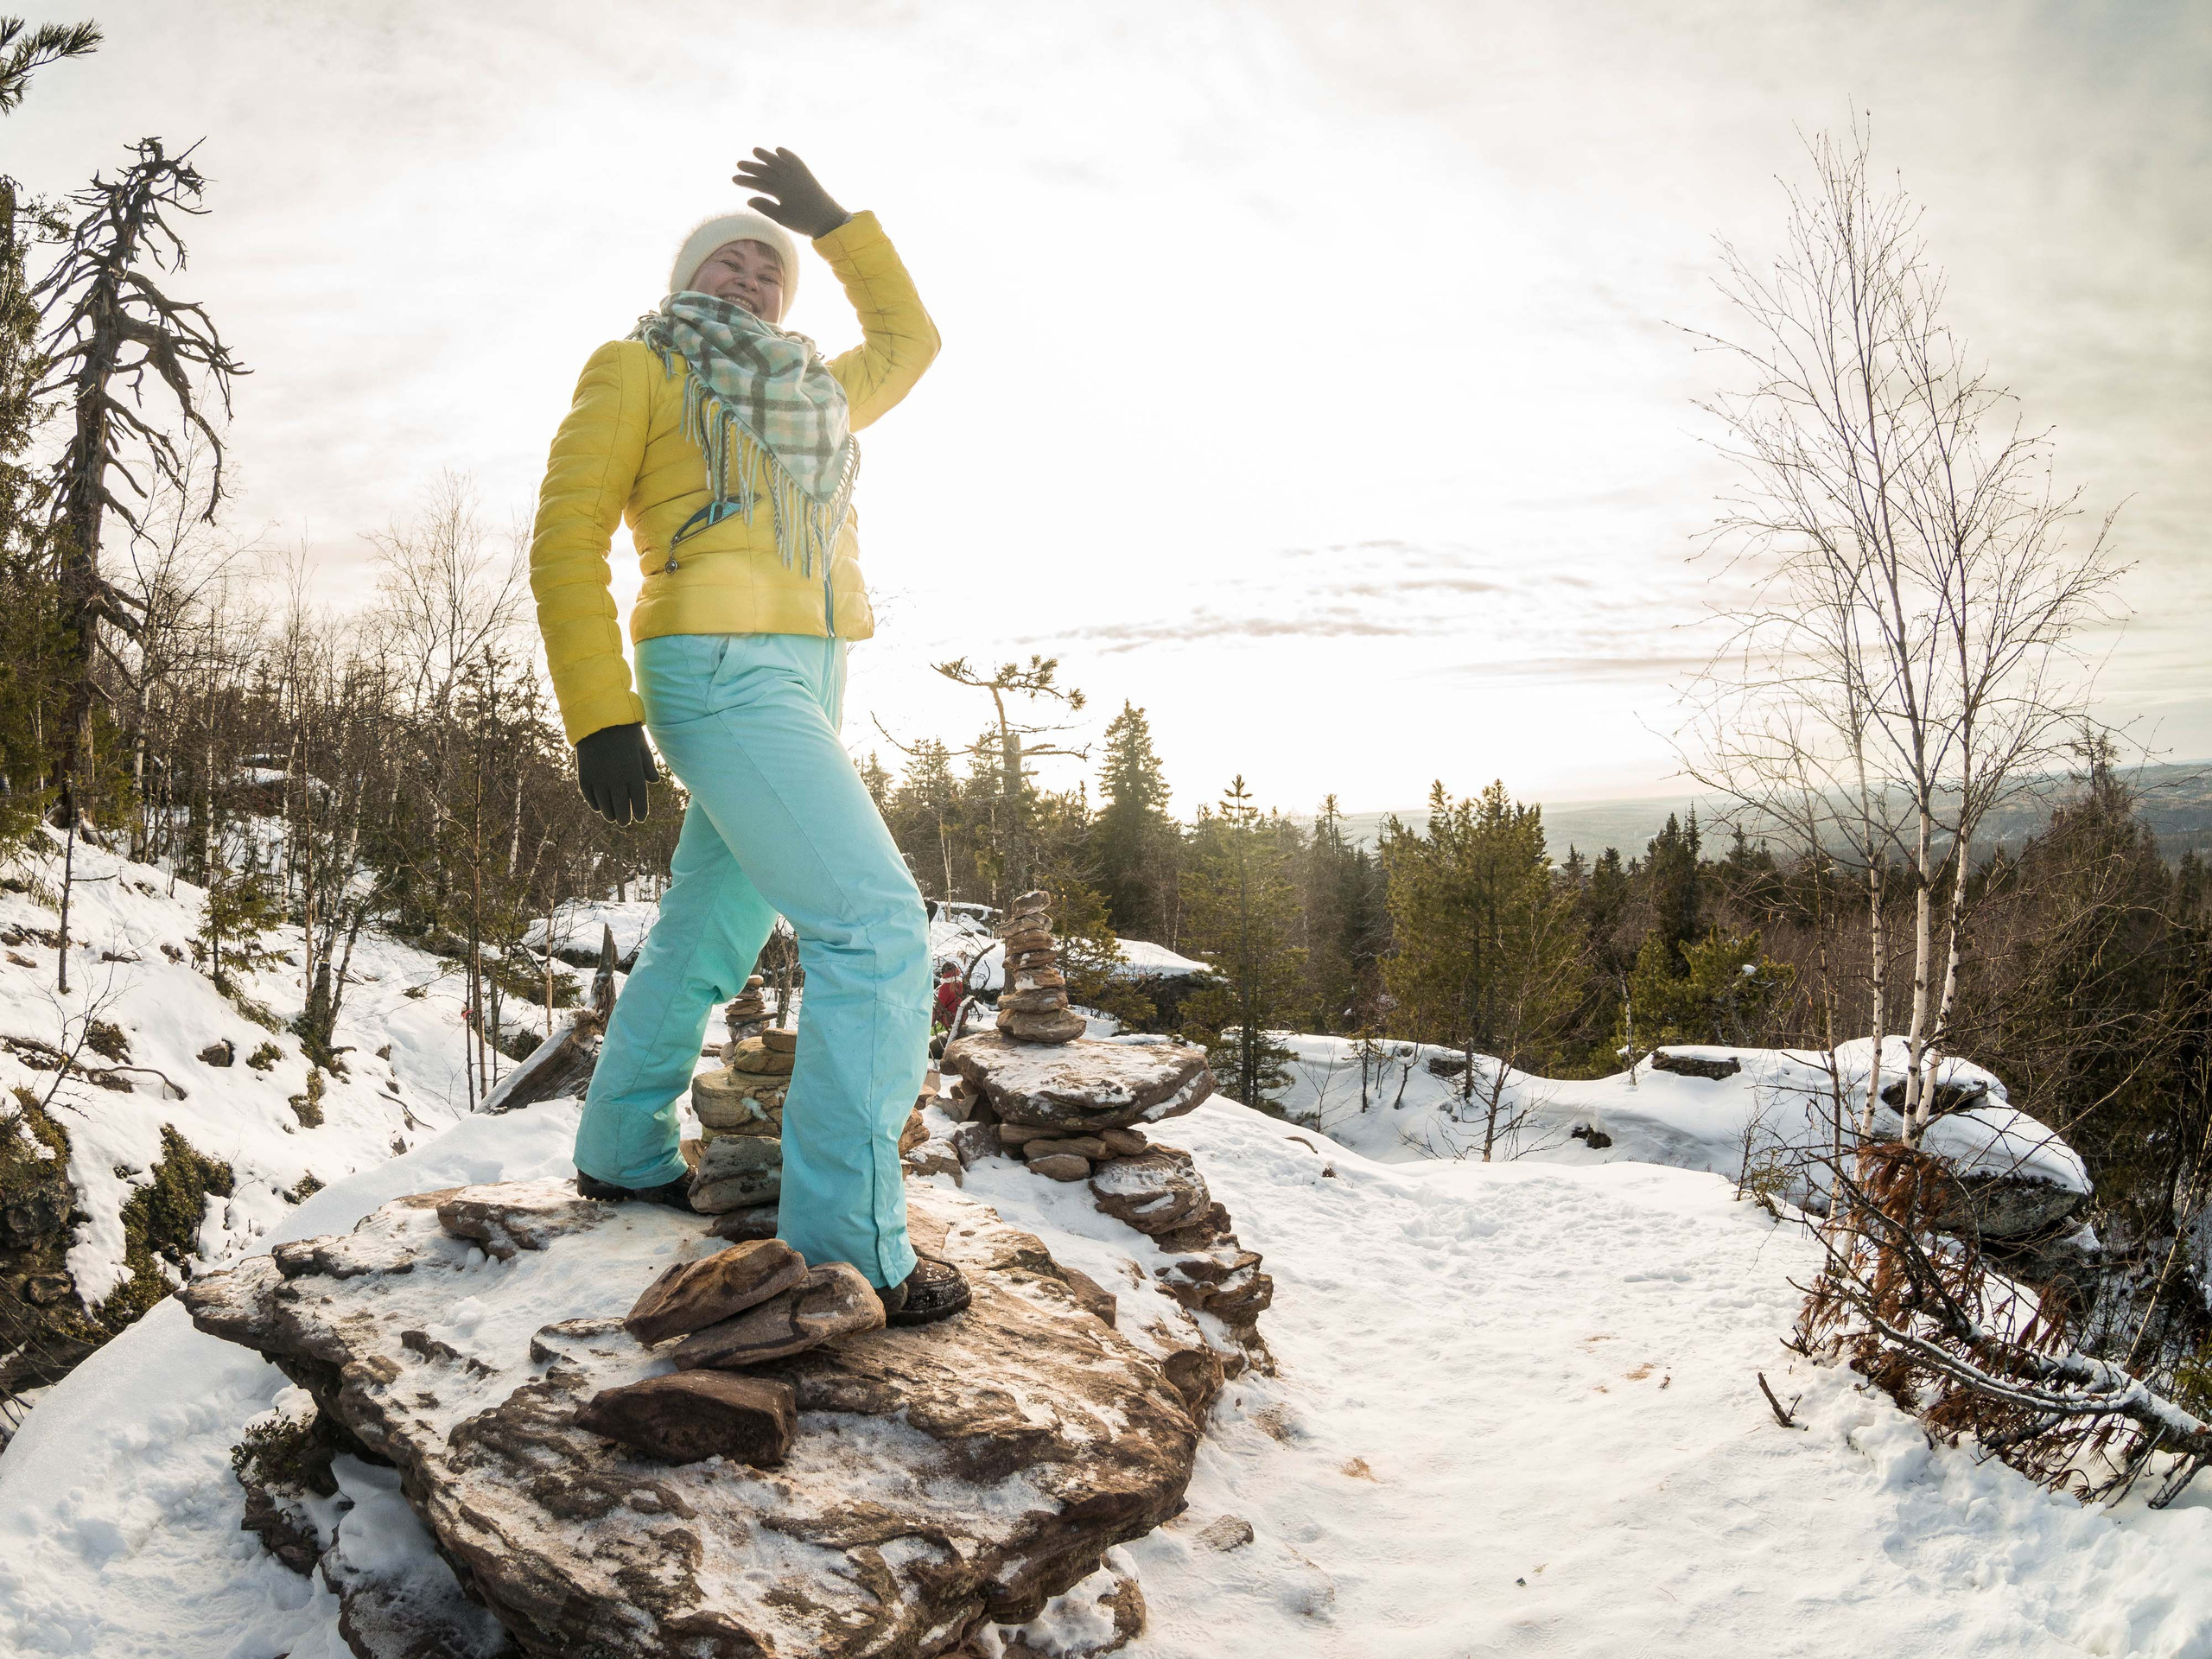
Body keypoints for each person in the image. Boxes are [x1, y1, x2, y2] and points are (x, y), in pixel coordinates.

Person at [527, 147, 966, 1326]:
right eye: (729, 254)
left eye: (770, 265)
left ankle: (621, 1148)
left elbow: (913, 342)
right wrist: (600, 711)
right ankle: (853, 1248)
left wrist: (839, 227)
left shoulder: (817, 391)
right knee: (875, 930)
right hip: (717, 670)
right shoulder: (638, 368)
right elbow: (567, 542)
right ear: (685, 276)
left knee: (710, 925)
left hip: (808, 678)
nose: (752, 272)